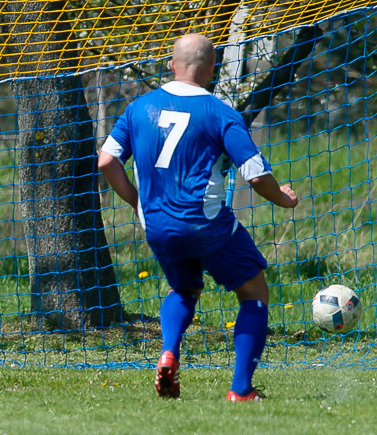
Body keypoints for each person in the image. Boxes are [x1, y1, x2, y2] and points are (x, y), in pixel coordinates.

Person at [97, 34, 298, 402]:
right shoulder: (221, 113)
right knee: (254, 291)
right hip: (206, 224)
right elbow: (255, 176)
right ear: (211, 69)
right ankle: (241, 389)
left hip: (157, 224)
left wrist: (137, 202)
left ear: (171, 65)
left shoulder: (138, 108)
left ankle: (168, 353)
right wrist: (283, 199)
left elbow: (107, 161)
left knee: (183, 289)